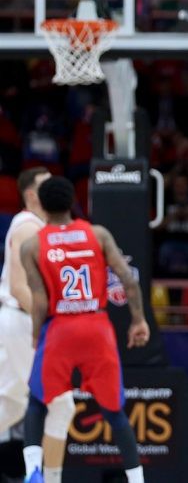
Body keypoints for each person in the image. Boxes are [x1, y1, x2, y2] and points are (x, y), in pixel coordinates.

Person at [19, 176, 150, 483]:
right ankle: (137, 480)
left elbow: (39, 301)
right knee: (114, 411)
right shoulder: (98, 234)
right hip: (96, 326)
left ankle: (33, 471)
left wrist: (36, 335)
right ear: (72, 202)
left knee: (37, 402)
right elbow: (128, 280)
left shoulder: (32, 245)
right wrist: (138, 320)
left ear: (43, 206)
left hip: (60, 328)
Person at [0, 168, 76, 483]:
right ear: (32, 194)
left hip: (18, 320)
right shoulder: (28, 226)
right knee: (62, 404)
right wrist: (53, 322)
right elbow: (19, 288)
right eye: (46, 185)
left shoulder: (42, 227)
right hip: (22, 320)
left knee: (9, 405)